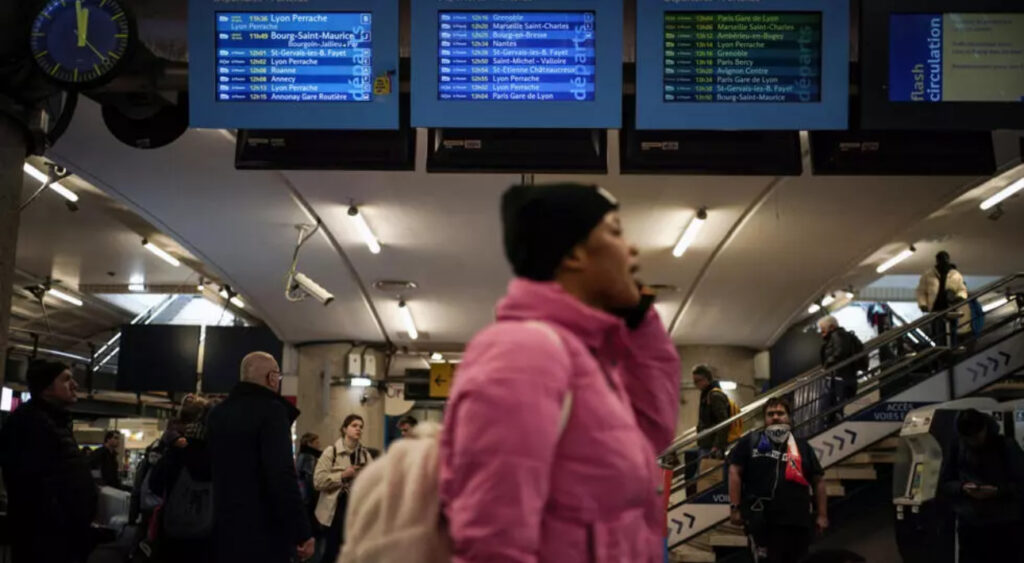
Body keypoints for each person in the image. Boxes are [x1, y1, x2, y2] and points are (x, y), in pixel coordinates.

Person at [439, 183, 681, 561]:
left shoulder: (589, 359)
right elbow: (493, 539)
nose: (631, 250)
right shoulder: (525, 353)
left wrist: (639, 319)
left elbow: (651, 433)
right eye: (615, 232)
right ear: (573, 254)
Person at [207, 351, 314, 563]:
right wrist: (301, 531)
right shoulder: (272, 412)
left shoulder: (217, 414)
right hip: (263, 531)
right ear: (272, 378)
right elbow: (281, 474)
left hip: (223, 527)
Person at [0, 360, 98, 563]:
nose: (75, 385)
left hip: (63, 539)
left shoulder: (55, 421)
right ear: (46, 388)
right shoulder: (29, 423)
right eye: (66, 379)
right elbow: (31, 489)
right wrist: (66, 525)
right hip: (48, 544)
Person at [728, 397, 828, 563]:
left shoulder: (802, 446)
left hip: (798, 522)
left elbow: (818, 481)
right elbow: (734, 471)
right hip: (763, 523)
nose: (775, 417)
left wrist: (822, 515)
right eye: (770, 414)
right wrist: (735, 507)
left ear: (789, 417)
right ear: (765, 419)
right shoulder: (750, 442)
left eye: (780, 413)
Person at [939, 408, 1024, 563]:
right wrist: (962, 487)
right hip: (971, 525)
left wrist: (998, 491)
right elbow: (944, 483)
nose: (974, 442)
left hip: (1004, 526)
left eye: (977, 437)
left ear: (985, 428)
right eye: (969, 439)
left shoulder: (1005, 446)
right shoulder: (957, 447)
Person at [149, 396, 214, 563]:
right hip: (207, 537)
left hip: (174, 533)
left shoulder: (176, 449)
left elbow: (154, 484)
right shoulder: (220, 454)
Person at [315, 414, 374, 563]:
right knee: (330, 553)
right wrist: (342, 476)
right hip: (333, 511)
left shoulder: (366, 455)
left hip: (355, 510)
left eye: (361, 427)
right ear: (344, 429)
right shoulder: (331, 452)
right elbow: (318, 481)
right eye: (354, 425)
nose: (358, 429)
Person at [916, 251, 971, 346]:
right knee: (938, 330)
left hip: (951, 307)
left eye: (945, 260)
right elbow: (921, 291)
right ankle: (940, 349)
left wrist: (960, 297)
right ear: (937, 261)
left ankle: (952, 347)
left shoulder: (955, 275)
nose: (943, 262)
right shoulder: (928, 275)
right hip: (935, 308)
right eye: (941, 260)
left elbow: (962, 289)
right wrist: (923, 304)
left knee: (952, 328)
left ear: (948, 260)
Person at [818, 316, 863, 424]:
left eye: (823, 330)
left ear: (832, 327)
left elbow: (840, 352)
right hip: (844, 376)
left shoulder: (837, 335)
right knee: (837, 407)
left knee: (837, 406)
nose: (821, 333)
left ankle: (833, 425)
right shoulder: (840, 335)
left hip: (842, 377)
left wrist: (827, 364)